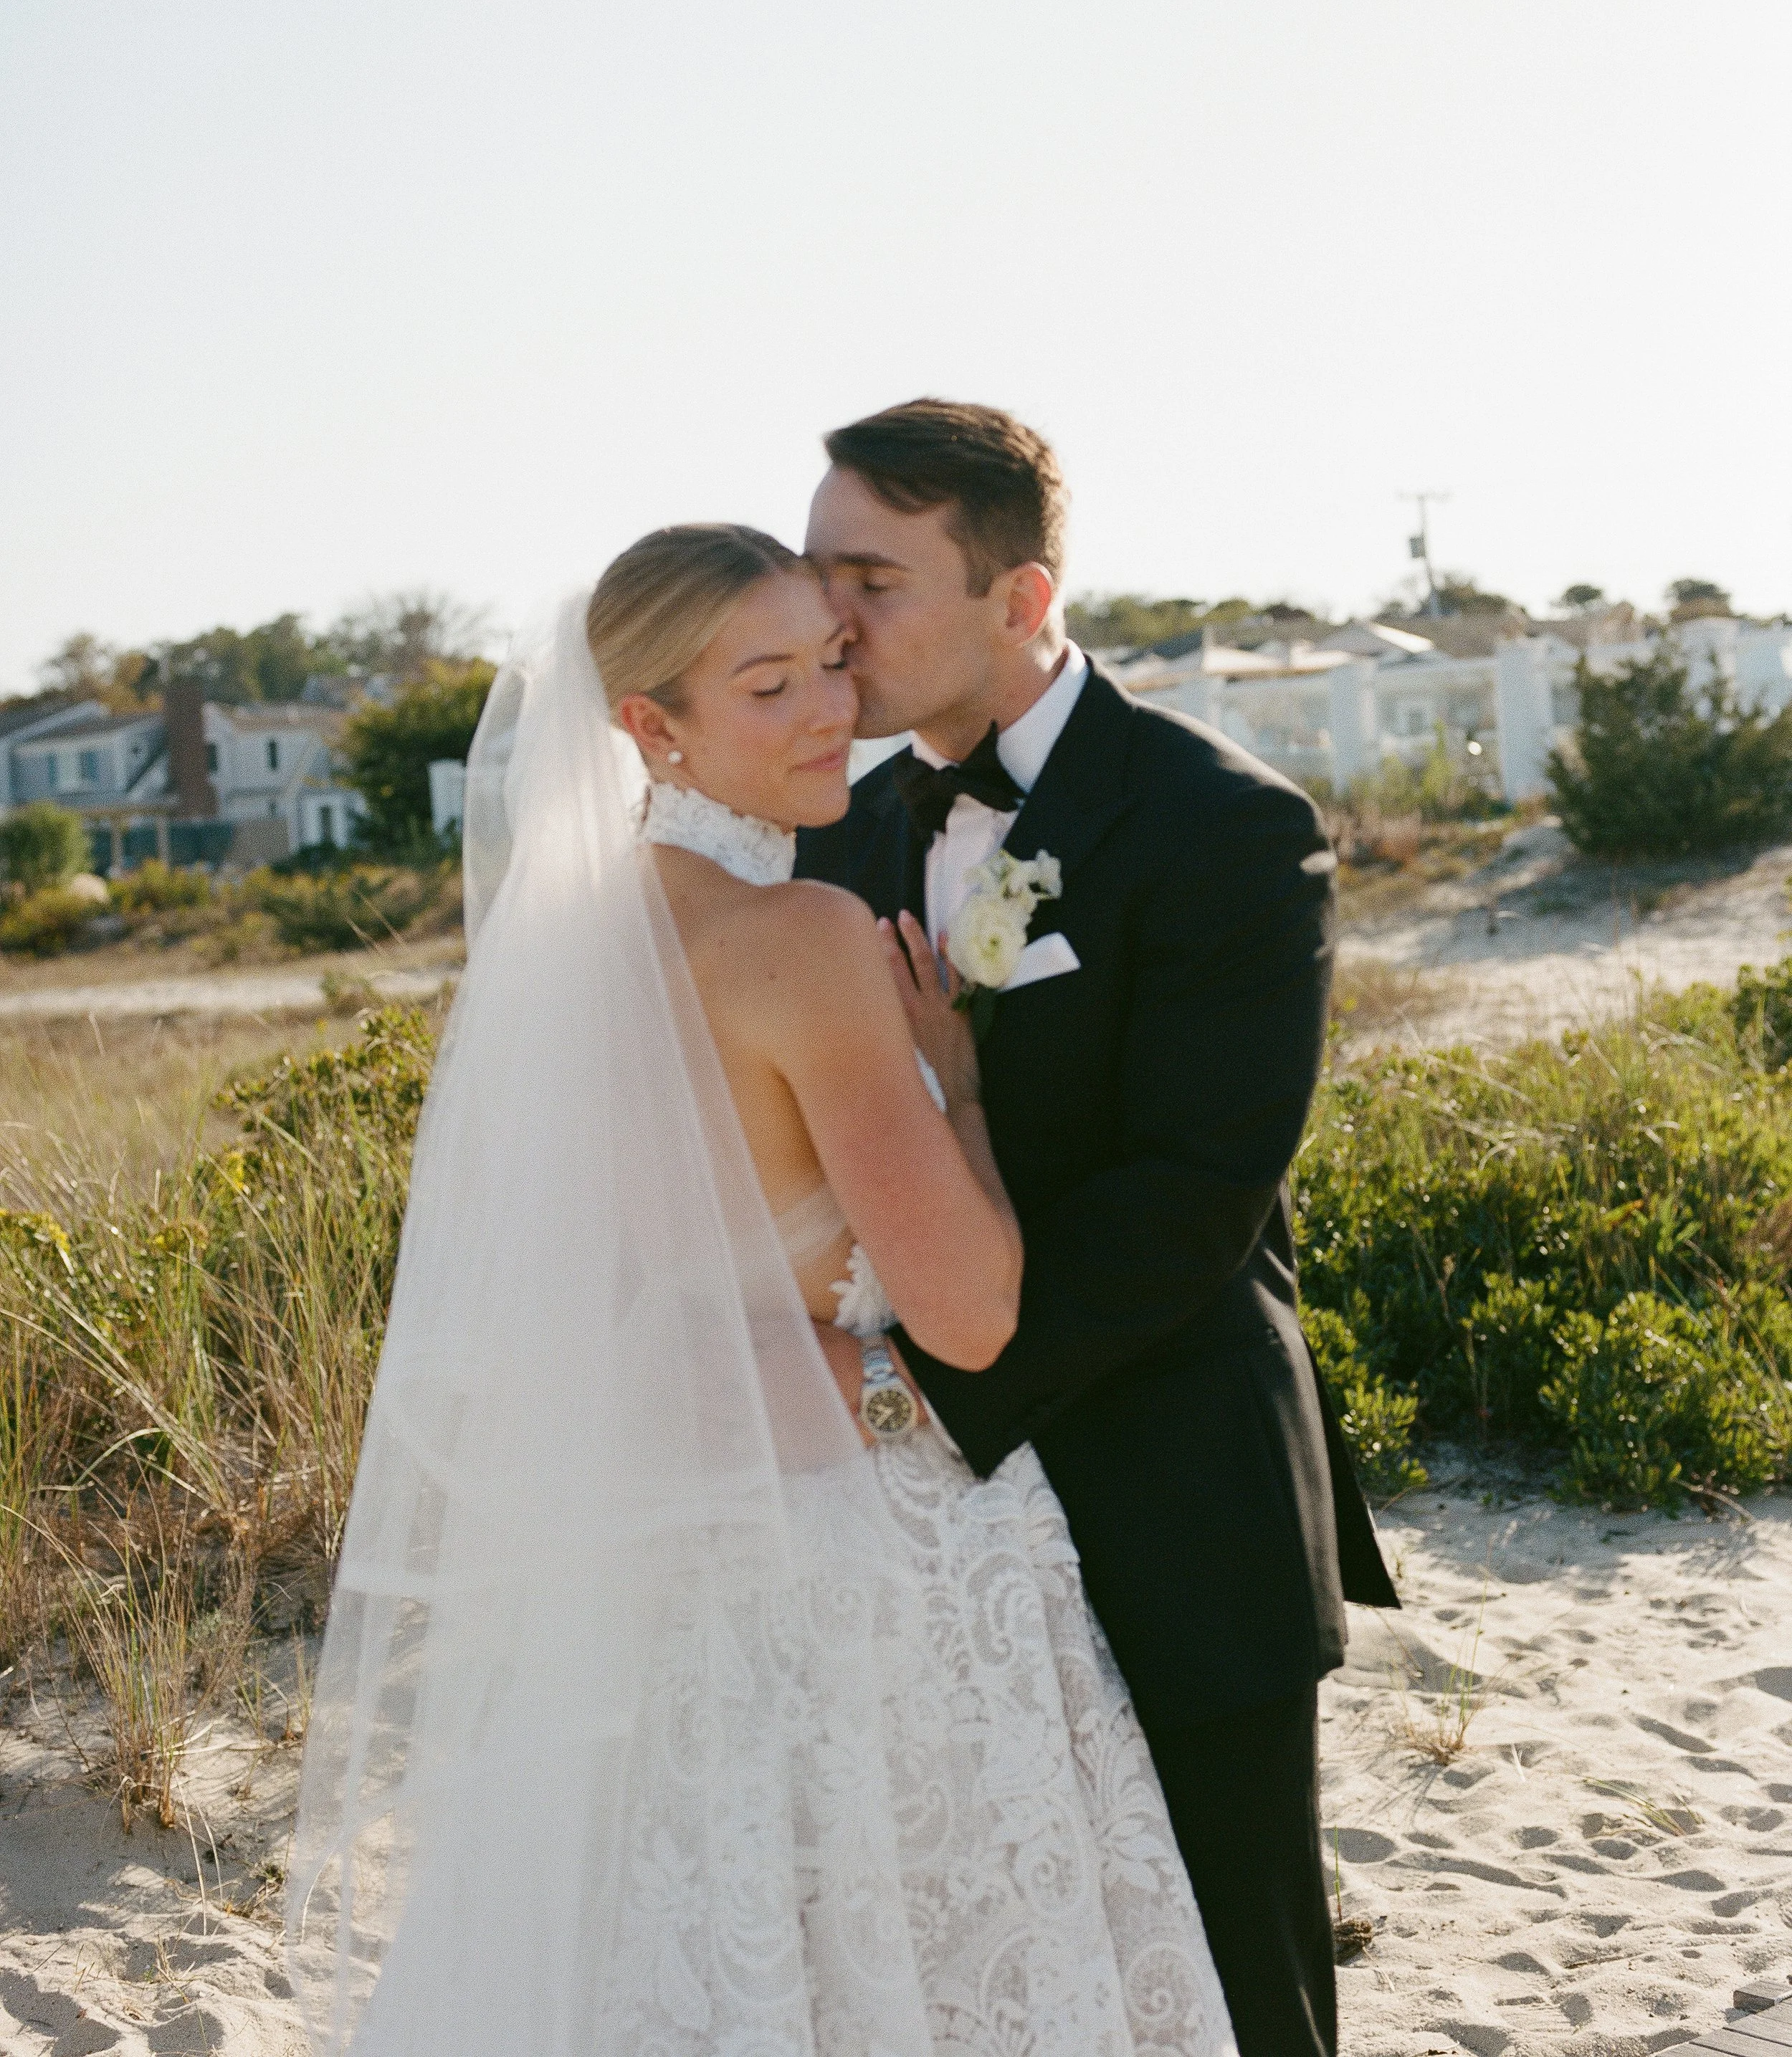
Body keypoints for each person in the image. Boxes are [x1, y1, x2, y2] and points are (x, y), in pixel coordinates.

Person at [288, 526, 1236, 2056]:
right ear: (649, 729)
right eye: (769, 684)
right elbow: (974, 1319)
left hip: (671, 1560)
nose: (827, 713)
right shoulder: (797, 939)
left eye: (833, 663)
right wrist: (959, 1092)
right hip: (866, 1567)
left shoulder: (570, 951)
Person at [796, 399, 1401, 2057]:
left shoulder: (1224, 825)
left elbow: (1191, 1199)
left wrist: (932, 1386)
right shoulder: (829, 833)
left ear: (1021, 597)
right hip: (925, 1536)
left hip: (1168, 1481)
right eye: (812, 571)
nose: (826, 619)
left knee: (1234, 1977)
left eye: (875, 578)